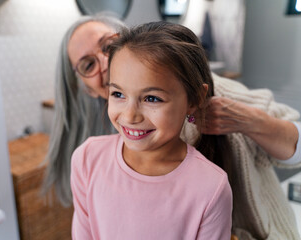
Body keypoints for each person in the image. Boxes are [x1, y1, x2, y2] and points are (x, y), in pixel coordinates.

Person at [43, 14, 301, 239]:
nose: (104, 61)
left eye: (107, 46)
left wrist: (250, 120)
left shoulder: (212, 95)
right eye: (88, 64)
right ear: (85, 88)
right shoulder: (95, 150)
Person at [71, 21, 233, 239]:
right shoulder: (87, 158)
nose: (129, 116)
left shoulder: (211, 187)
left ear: (195, 98)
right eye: (118, 94)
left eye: (152, 98)